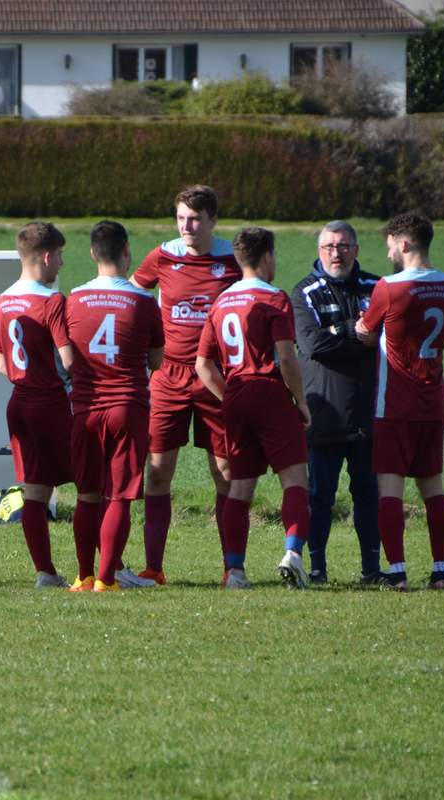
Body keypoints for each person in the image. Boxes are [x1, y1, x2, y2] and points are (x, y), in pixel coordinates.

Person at [131, 185, 241, 586]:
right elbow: (131, 295)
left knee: (226, 473)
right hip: (169, 377)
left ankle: (233, 567)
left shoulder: (232, 258)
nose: (187, 226)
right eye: (180, 218)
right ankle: (153, 568)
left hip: (216, 377)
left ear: (213, 219)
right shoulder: (163, 255)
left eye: (194, 219)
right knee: (157, 472)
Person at [196, 227, 312, 589]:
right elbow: (287, 358)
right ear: (267, 257)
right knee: (294, 480)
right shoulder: (274, 299)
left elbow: (202, 365)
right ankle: (293, 553)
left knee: (240, 487)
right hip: (268, 392)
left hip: (235, 397)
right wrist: (301, 401)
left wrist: (229, 395)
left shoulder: (220, 302)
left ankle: (235, 572)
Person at [355, 212, 444, 591]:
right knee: (434, 487)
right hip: (433, 401)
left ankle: (397, 571)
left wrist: (362, 327)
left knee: (390, 489)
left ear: (403, 244)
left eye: (389, 246)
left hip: (395, 402)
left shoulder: (389, 288)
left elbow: (366, 333)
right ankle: (441, 571)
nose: (388, 254)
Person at [65, 221, 164, 592]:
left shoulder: (73, 298)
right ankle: (107, 579)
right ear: (127, 253)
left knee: (87, 495)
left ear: (93, 254)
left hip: (85, 408)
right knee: (120, 495)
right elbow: (156, 359)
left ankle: (83, 575)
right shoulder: (143, 301)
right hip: (127, 406)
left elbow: (68, 354)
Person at [291, 221, 386, 586]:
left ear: (356, 250)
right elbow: (313, 345)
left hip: (368, 410)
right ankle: (317, 570)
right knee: (320, 498)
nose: (336, 253)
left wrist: (340, 334)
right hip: (324, 411)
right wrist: (352, 331)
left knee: (368, 496)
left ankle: (371, 570)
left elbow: (385, 337)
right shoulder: (303, 292)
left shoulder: (378, 287)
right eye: (329, 246)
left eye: (344, 246)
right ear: (319, 251)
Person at [0, 222, 74, 588]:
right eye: (59, 256)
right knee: (91, 484)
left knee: (35, 491)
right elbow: (69, 360)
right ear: (45, 256)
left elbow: (0, 363)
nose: (60, 264)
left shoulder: (3, 300)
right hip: (51, 403)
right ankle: (106, 567)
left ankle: (45, 572)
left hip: (19, 403)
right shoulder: (51, 300)